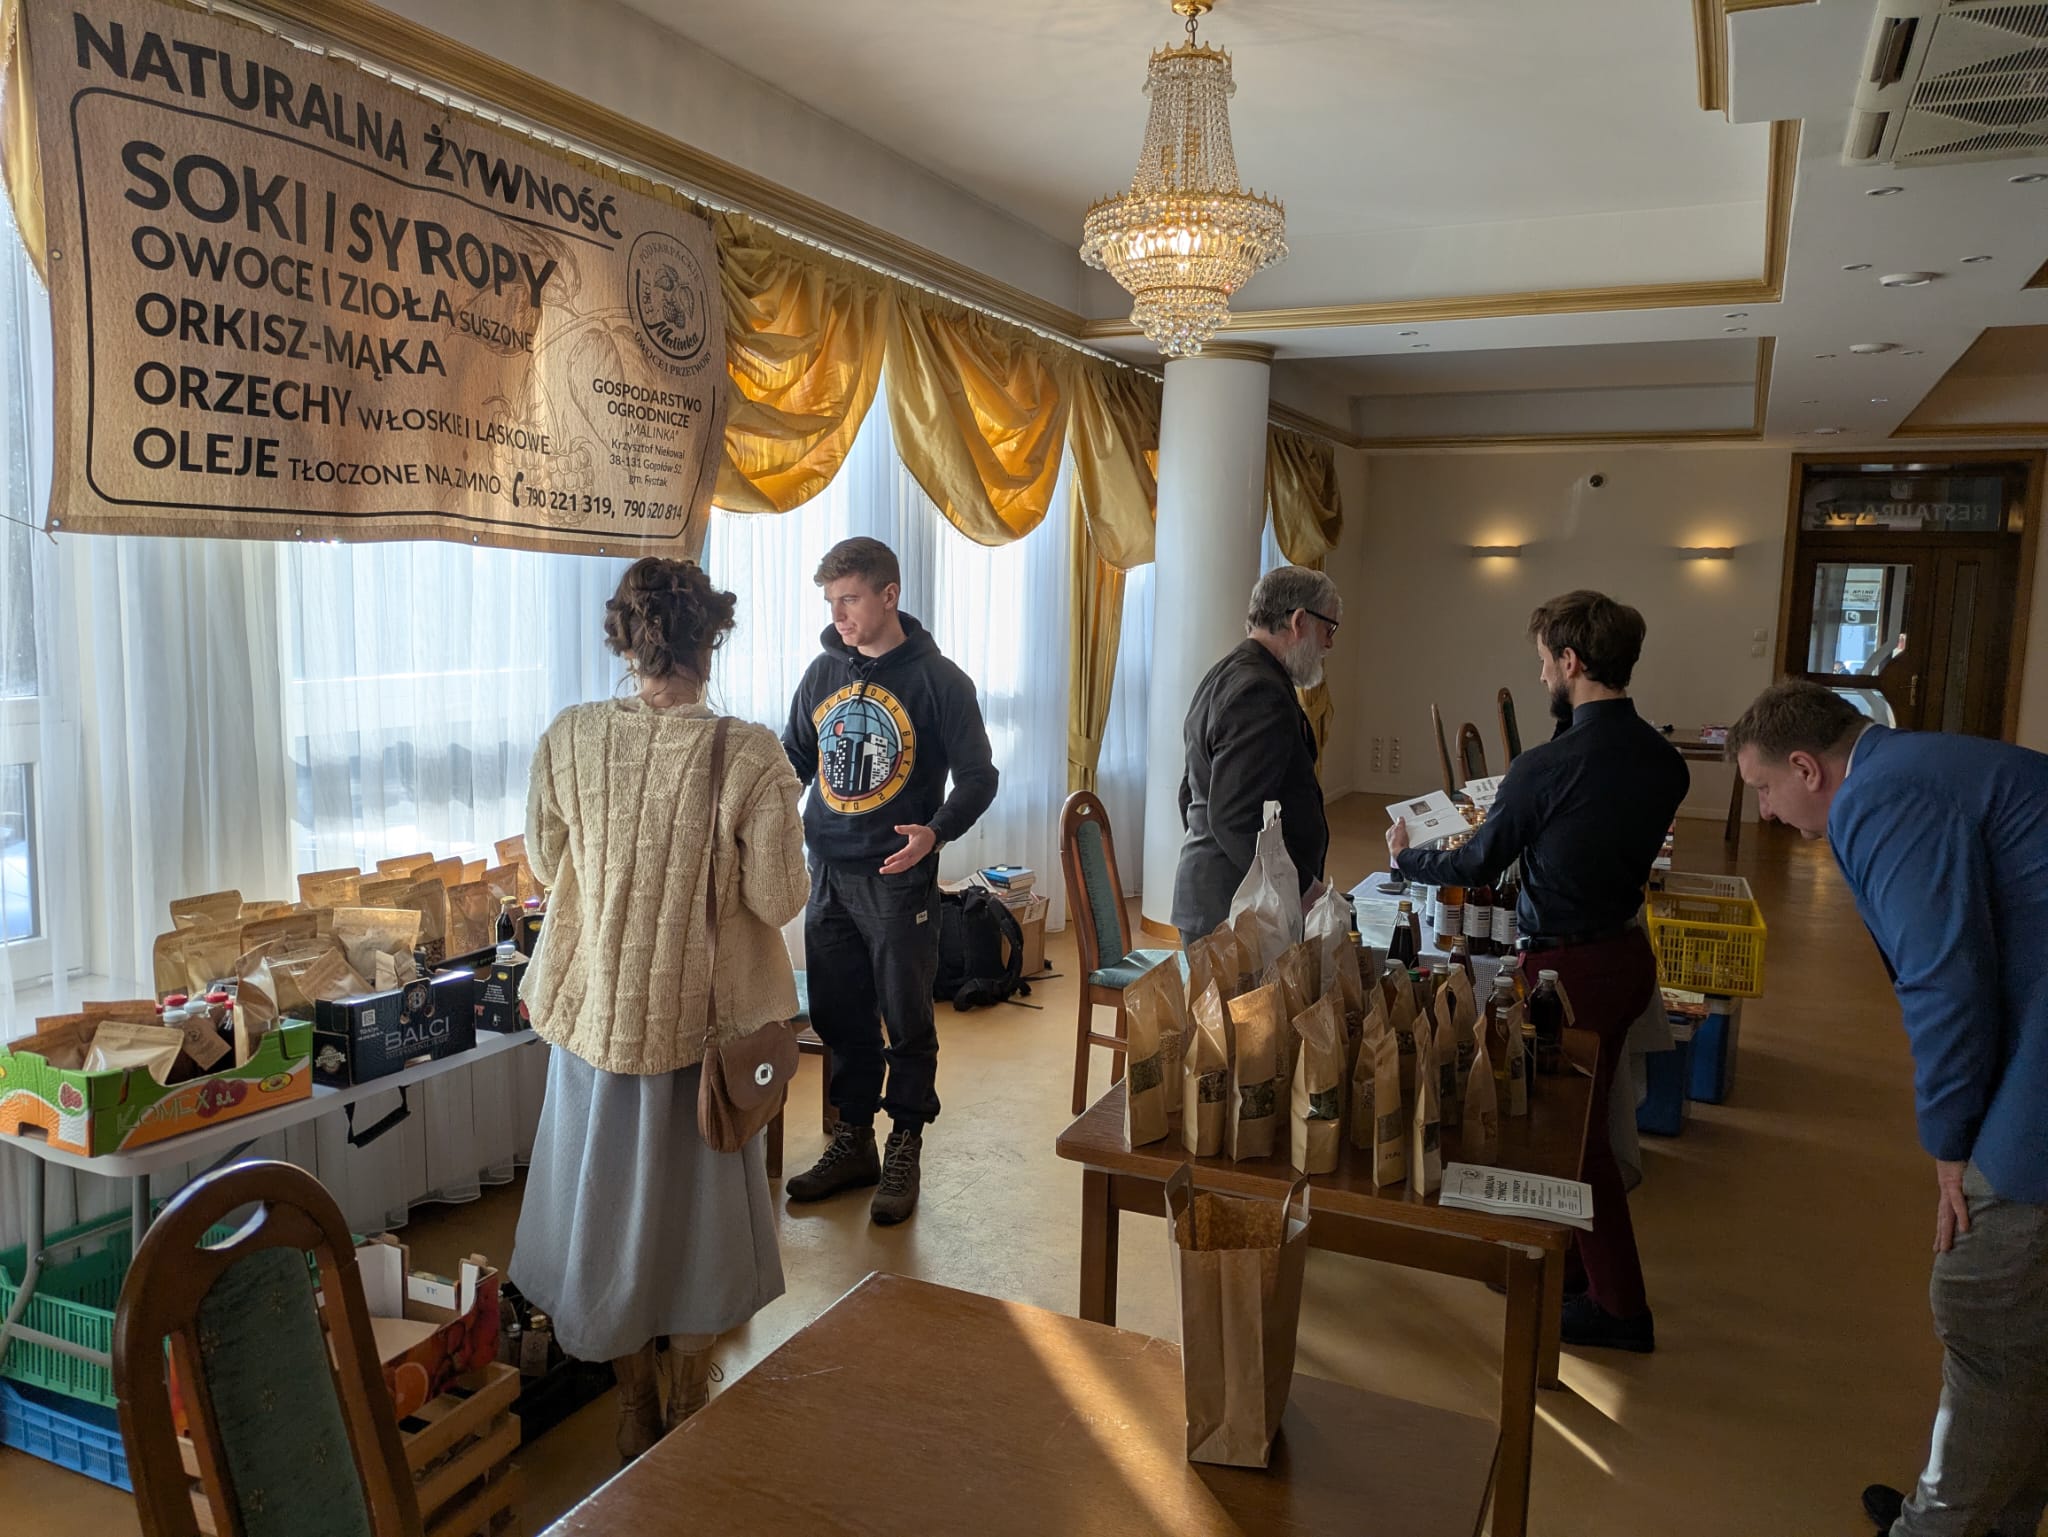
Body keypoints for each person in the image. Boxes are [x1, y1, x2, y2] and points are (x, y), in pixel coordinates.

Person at [1730, 681, 2048, 1537]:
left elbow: (1945, 983)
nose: (1766, 812)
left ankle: (1940, 1525)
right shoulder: (1912, 765)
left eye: (1765, 788)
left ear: (1808, 768)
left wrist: (1951, 1145)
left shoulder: (1878, 799)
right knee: (2021, 1322)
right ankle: (1993, 1517)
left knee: (1983, 1292)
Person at [510, 557, 807, 1462]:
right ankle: (686, 1399)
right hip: (697, 1034)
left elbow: (545, 861)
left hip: (593, 1019)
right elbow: (778, 896)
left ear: (626, 642)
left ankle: (633, 1403)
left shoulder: (569, 736)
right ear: (709, 643)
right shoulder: (751, 753)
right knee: (696, 1227)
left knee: (600, 1218)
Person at [1386, 590, 1688, 1353]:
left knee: (1575, 1139)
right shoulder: (1664, 762)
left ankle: (1620, 1307)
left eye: (1546, 661)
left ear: (1572, 661)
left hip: (1569, 969)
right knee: (1582, 1120)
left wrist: (1407, 857)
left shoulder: (1547, 765)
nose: (1543, 674)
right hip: (1626, 953)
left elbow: (1478, 861)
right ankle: (1579, 1266)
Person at [781, 537, 997, 1225]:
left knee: (906, 1016)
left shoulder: (941, 681)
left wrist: (936, 831)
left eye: (849, 599)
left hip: (899, 879)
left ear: (889, 595)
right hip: (828, 873)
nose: (838, 615)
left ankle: (906, 1140)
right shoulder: (821, 674)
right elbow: (793, 761)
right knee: (839, 1014)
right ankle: (854, 1140)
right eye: (831, 602)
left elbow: (979, 777)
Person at [1172, 565, 1340, 947]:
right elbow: (1234, 816)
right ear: (1299, 621)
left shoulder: (1227, 672)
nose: (1329, 644)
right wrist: (1301, 888)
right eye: (1328, 629)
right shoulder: (1261, 692)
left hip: (1219, 898)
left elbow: (1190, 792)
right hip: (1236, 912)